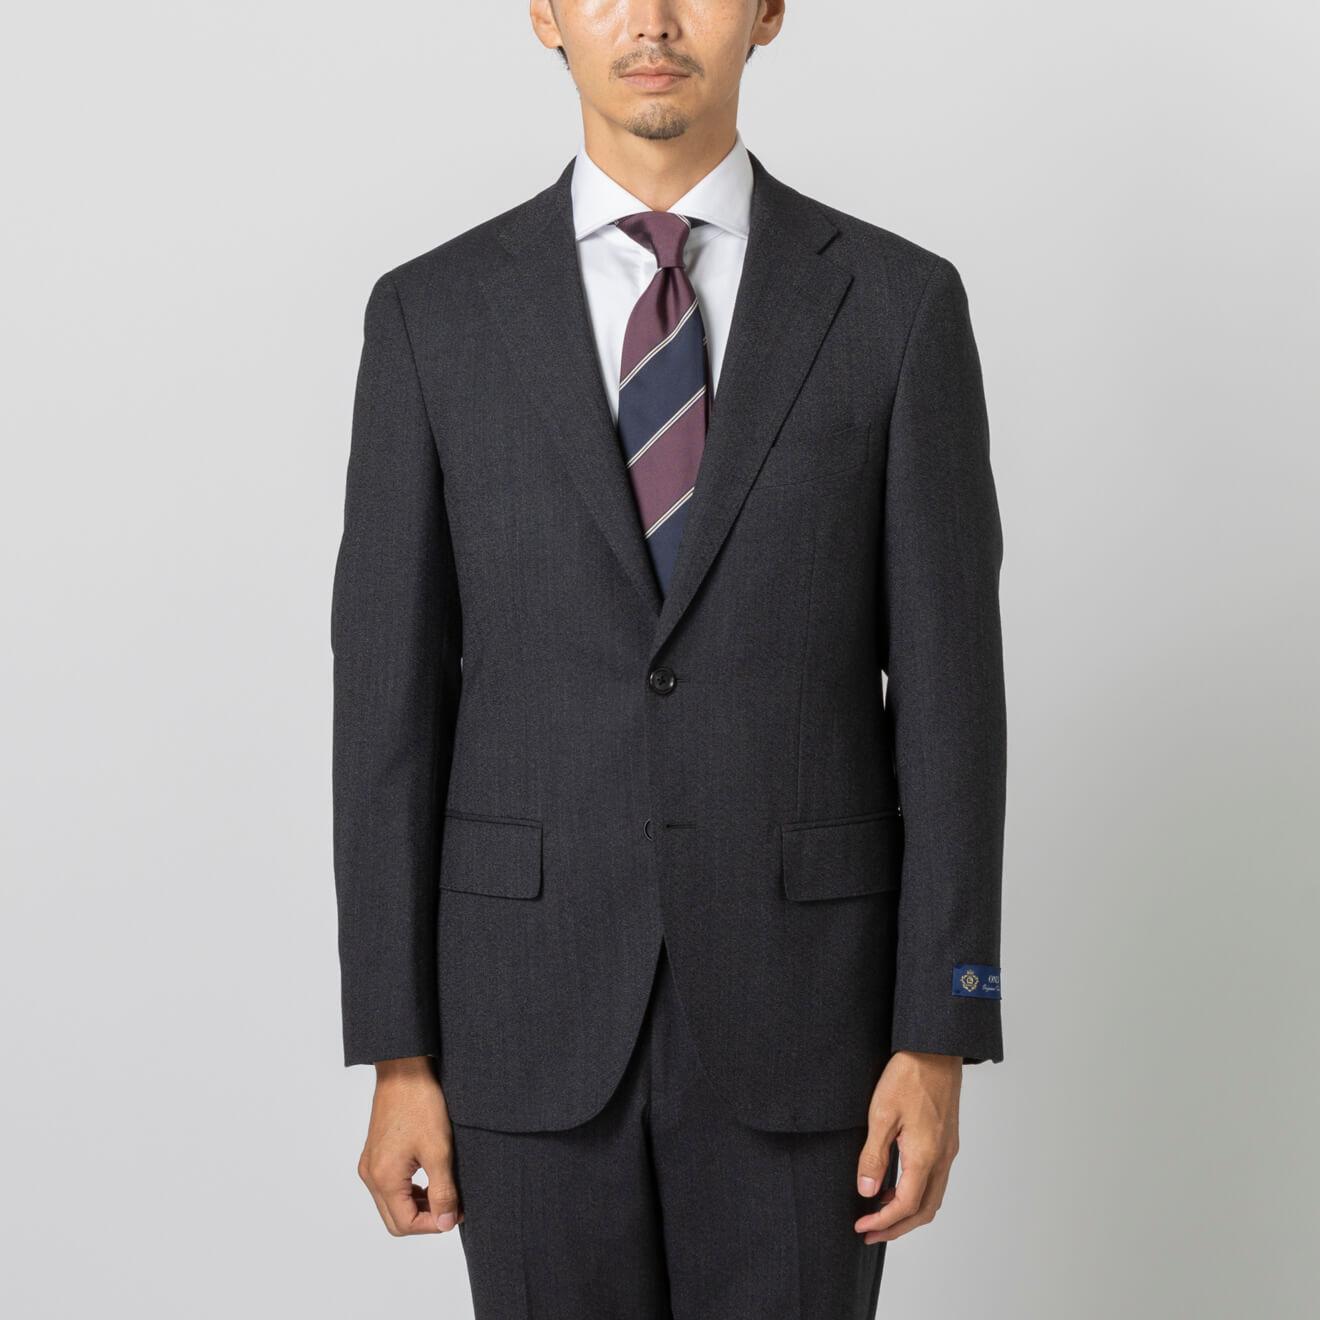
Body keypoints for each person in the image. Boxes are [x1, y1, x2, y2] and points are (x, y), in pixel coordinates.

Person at [330, 2, 1007, 1315]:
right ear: (545, 14)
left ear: (768, 11)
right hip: (520, 1022)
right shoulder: (431, 315)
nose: (650, 20)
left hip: (811, 1023)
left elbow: (952, 711)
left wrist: (943, 1028)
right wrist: (396, 1050)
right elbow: (385, 713)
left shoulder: (898, 307)